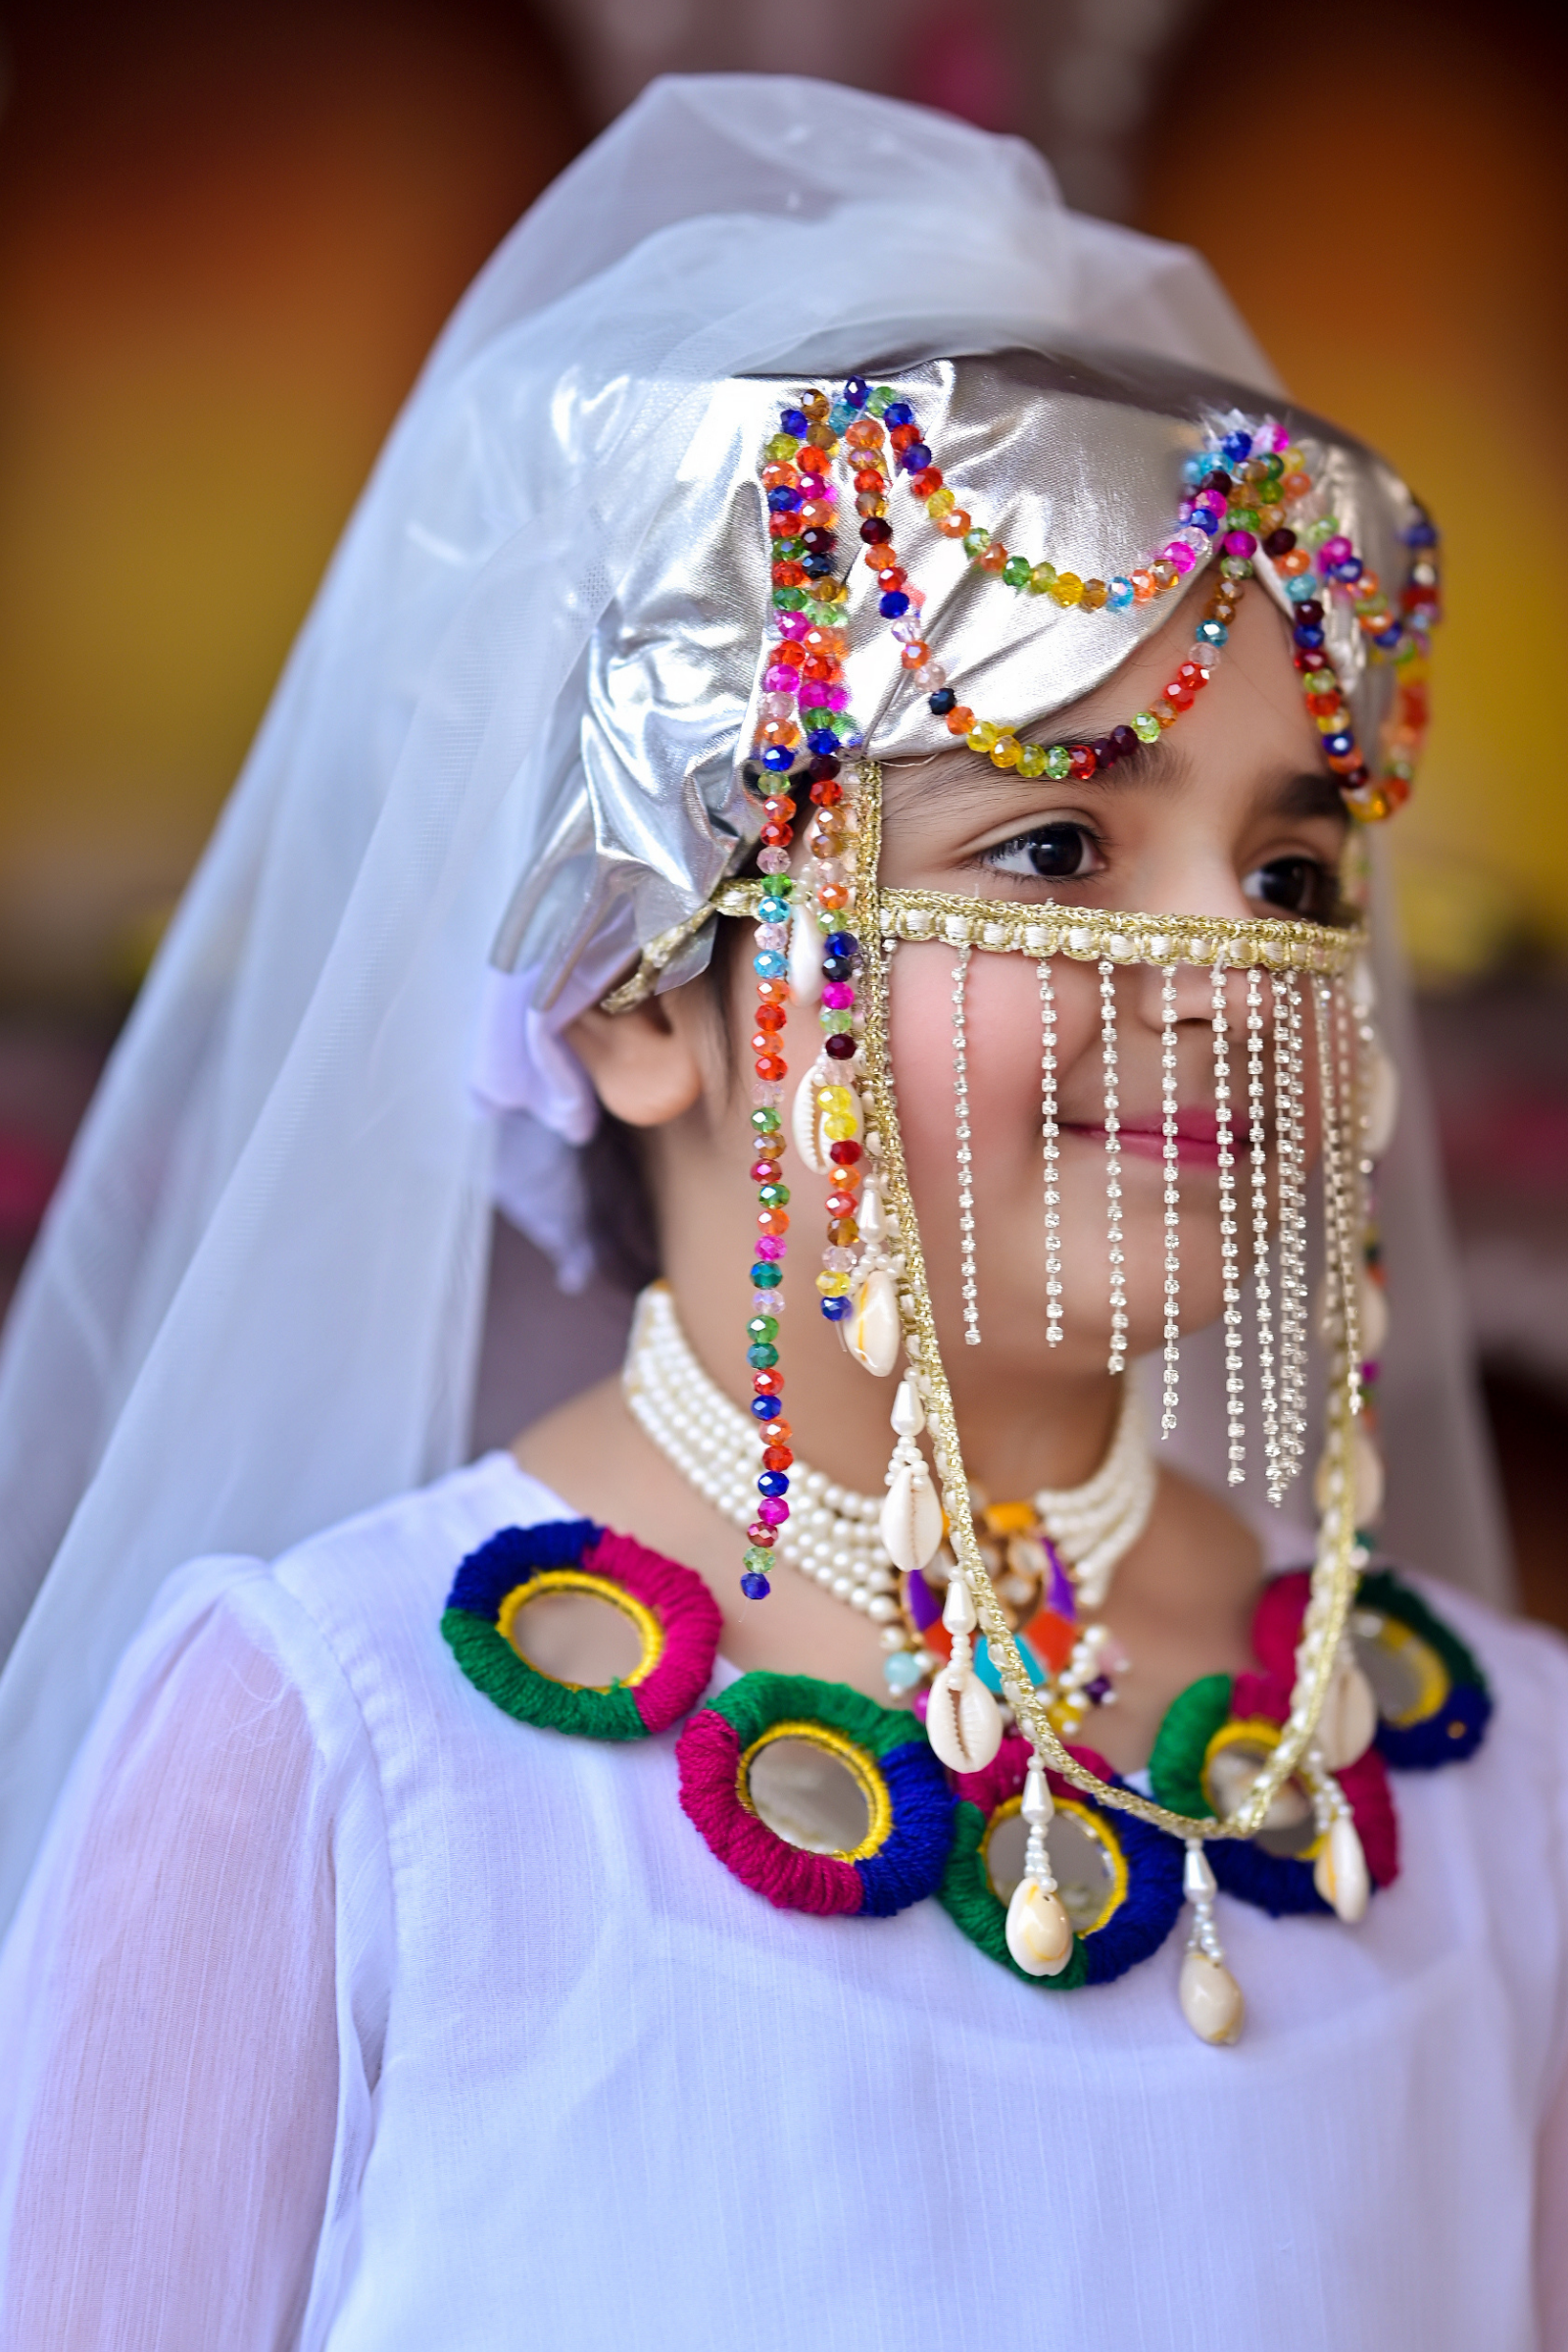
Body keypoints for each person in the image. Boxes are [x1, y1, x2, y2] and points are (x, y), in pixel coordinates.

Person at [0, 74, 1559, 2352]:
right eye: (1049, 848)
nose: (1227, 974)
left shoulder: (1498, 1775)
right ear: (644, 996)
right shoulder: (338, 1752)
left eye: (1296, 874)